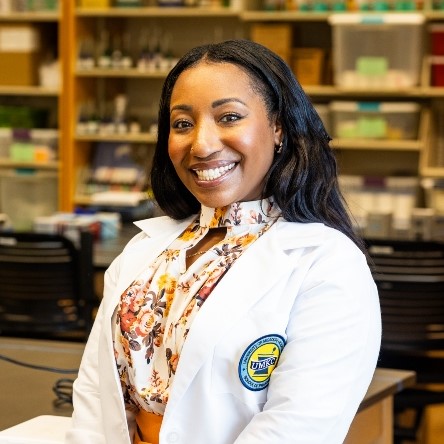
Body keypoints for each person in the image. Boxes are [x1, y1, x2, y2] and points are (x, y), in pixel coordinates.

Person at [66, 39, 381, 444]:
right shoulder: (143, 254)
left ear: (278, 127)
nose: (201, 144)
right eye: (182, 124)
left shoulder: (328, 265)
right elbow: (95, 395)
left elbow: (297, 428)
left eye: (229, 117)